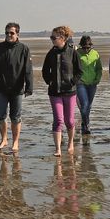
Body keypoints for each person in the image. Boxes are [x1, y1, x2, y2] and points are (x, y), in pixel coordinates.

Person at [0, 22, 34, 152]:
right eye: (7, 33)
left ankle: (15, 142)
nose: (9, 35)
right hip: (1, 88)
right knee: (0, 115)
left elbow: (28, 69)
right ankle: (4, 139)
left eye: (12, 33)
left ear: (17, 34)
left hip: (17, 89)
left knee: (15, 117)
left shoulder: (24, 49)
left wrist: (29, 87)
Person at [42, 25, 82, 156]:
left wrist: (72, 82)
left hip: (70, 92)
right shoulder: (51, 53)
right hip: (54, 92)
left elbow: (79, 71)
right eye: (51, 37)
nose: (52, 40)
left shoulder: (72, 52)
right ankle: (58, 149)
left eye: (54, 37)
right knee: (58, 120)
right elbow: (45, 71)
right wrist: (49, 81)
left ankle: (70, 143)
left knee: (69, 121)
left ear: (63, 38)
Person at [76, 35, 102, 136]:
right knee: (85, 104)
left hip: (92, 83)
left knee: (89, 105)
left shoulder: (95, 54)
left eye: (88, 47)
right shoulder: (76, 53)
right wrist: (76, 79)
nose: (86, 49)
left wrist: (97, 79)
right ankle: (86, 125)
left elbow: (99, 68)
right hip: (80, 83)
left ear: (91, 46)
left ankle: (84, 122)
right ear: (81, 46)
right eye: (84, 47)